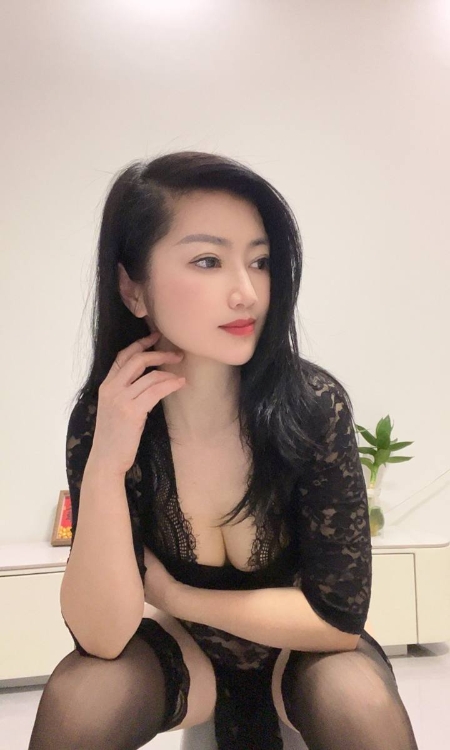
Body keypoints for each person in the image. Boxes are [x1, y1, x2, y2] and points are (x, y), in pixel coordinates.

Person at [28, 151, 419, 750]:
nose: (246, 292)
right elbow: (101, 639)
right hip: (184, 657)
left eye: (259, 261)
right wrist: (106, 464)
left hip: (302, 652)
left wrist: (176, 596)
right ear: (133, 288)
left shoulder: (314, 407)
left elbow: (338, 620)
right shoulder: (106, 417)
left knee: (358, 700)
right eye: (208, 261)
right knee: (82, 695)